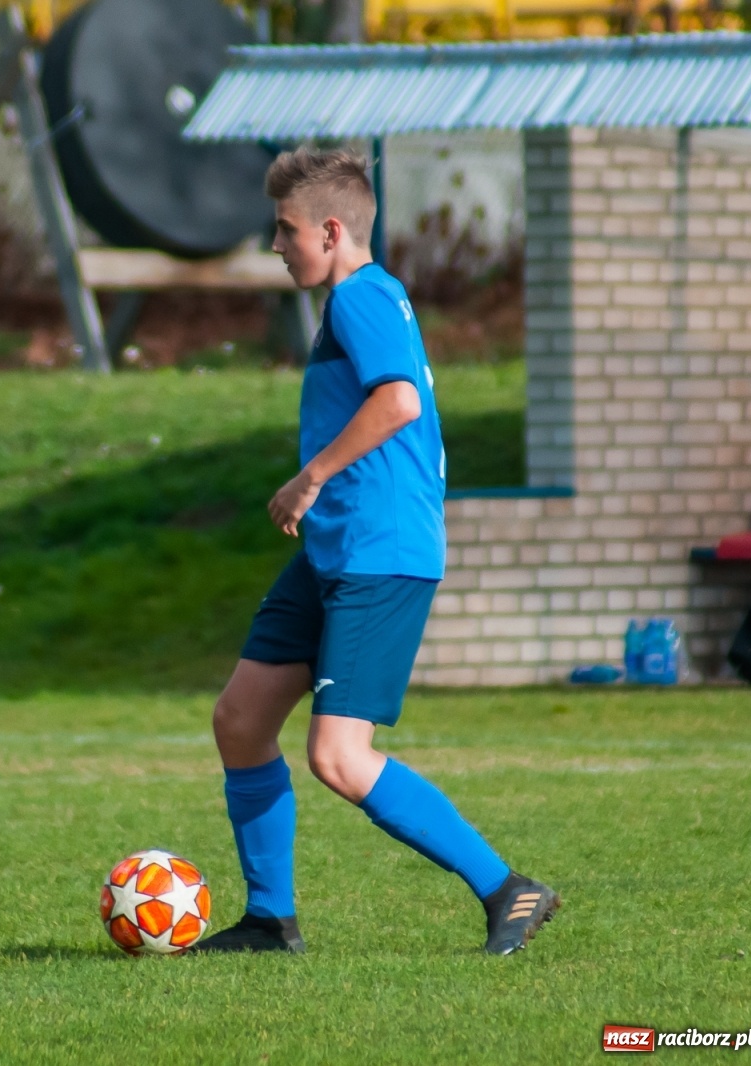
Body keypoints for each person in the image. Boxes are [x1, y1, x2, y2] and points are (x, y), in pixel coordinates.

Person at [193, 148, 559, 956]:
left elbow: (397, 401)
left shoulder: (361, 296)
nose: (277, 246)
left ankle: (510, 889)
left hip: (378, 554)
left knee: (339, 756)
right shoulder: (363, 299)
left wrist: (309, 478)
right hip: (333, 553)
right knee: (241, 720)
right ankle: (268, 921)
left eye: (286, 231)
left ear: (331, 229)